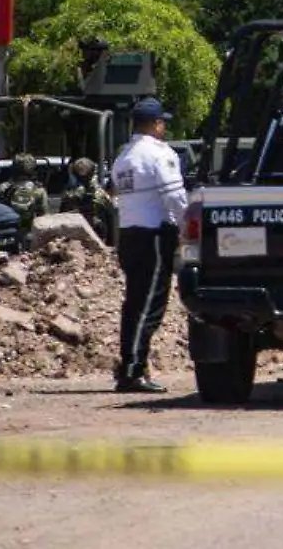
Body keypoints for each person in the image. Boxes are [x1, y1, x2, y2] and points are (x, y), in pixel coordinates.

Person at [109, 98, 187, 394]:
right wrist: (188, 227)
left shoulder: (124, 156)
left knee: (133, 305)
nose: (164, 126)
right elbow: (175, 197)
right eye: (162, 121)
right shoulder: (159, 153)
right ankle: (132, 371)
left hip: (128, 234)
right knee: (148, 307)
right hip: (153, 235)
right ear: (155, 124)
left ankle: (131, 366)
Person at [0, 154, 49, 231]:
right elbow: (44, 218)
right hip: (29, 233)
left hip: (8, 232)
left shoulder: (4, 187)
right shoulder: (39, 190)